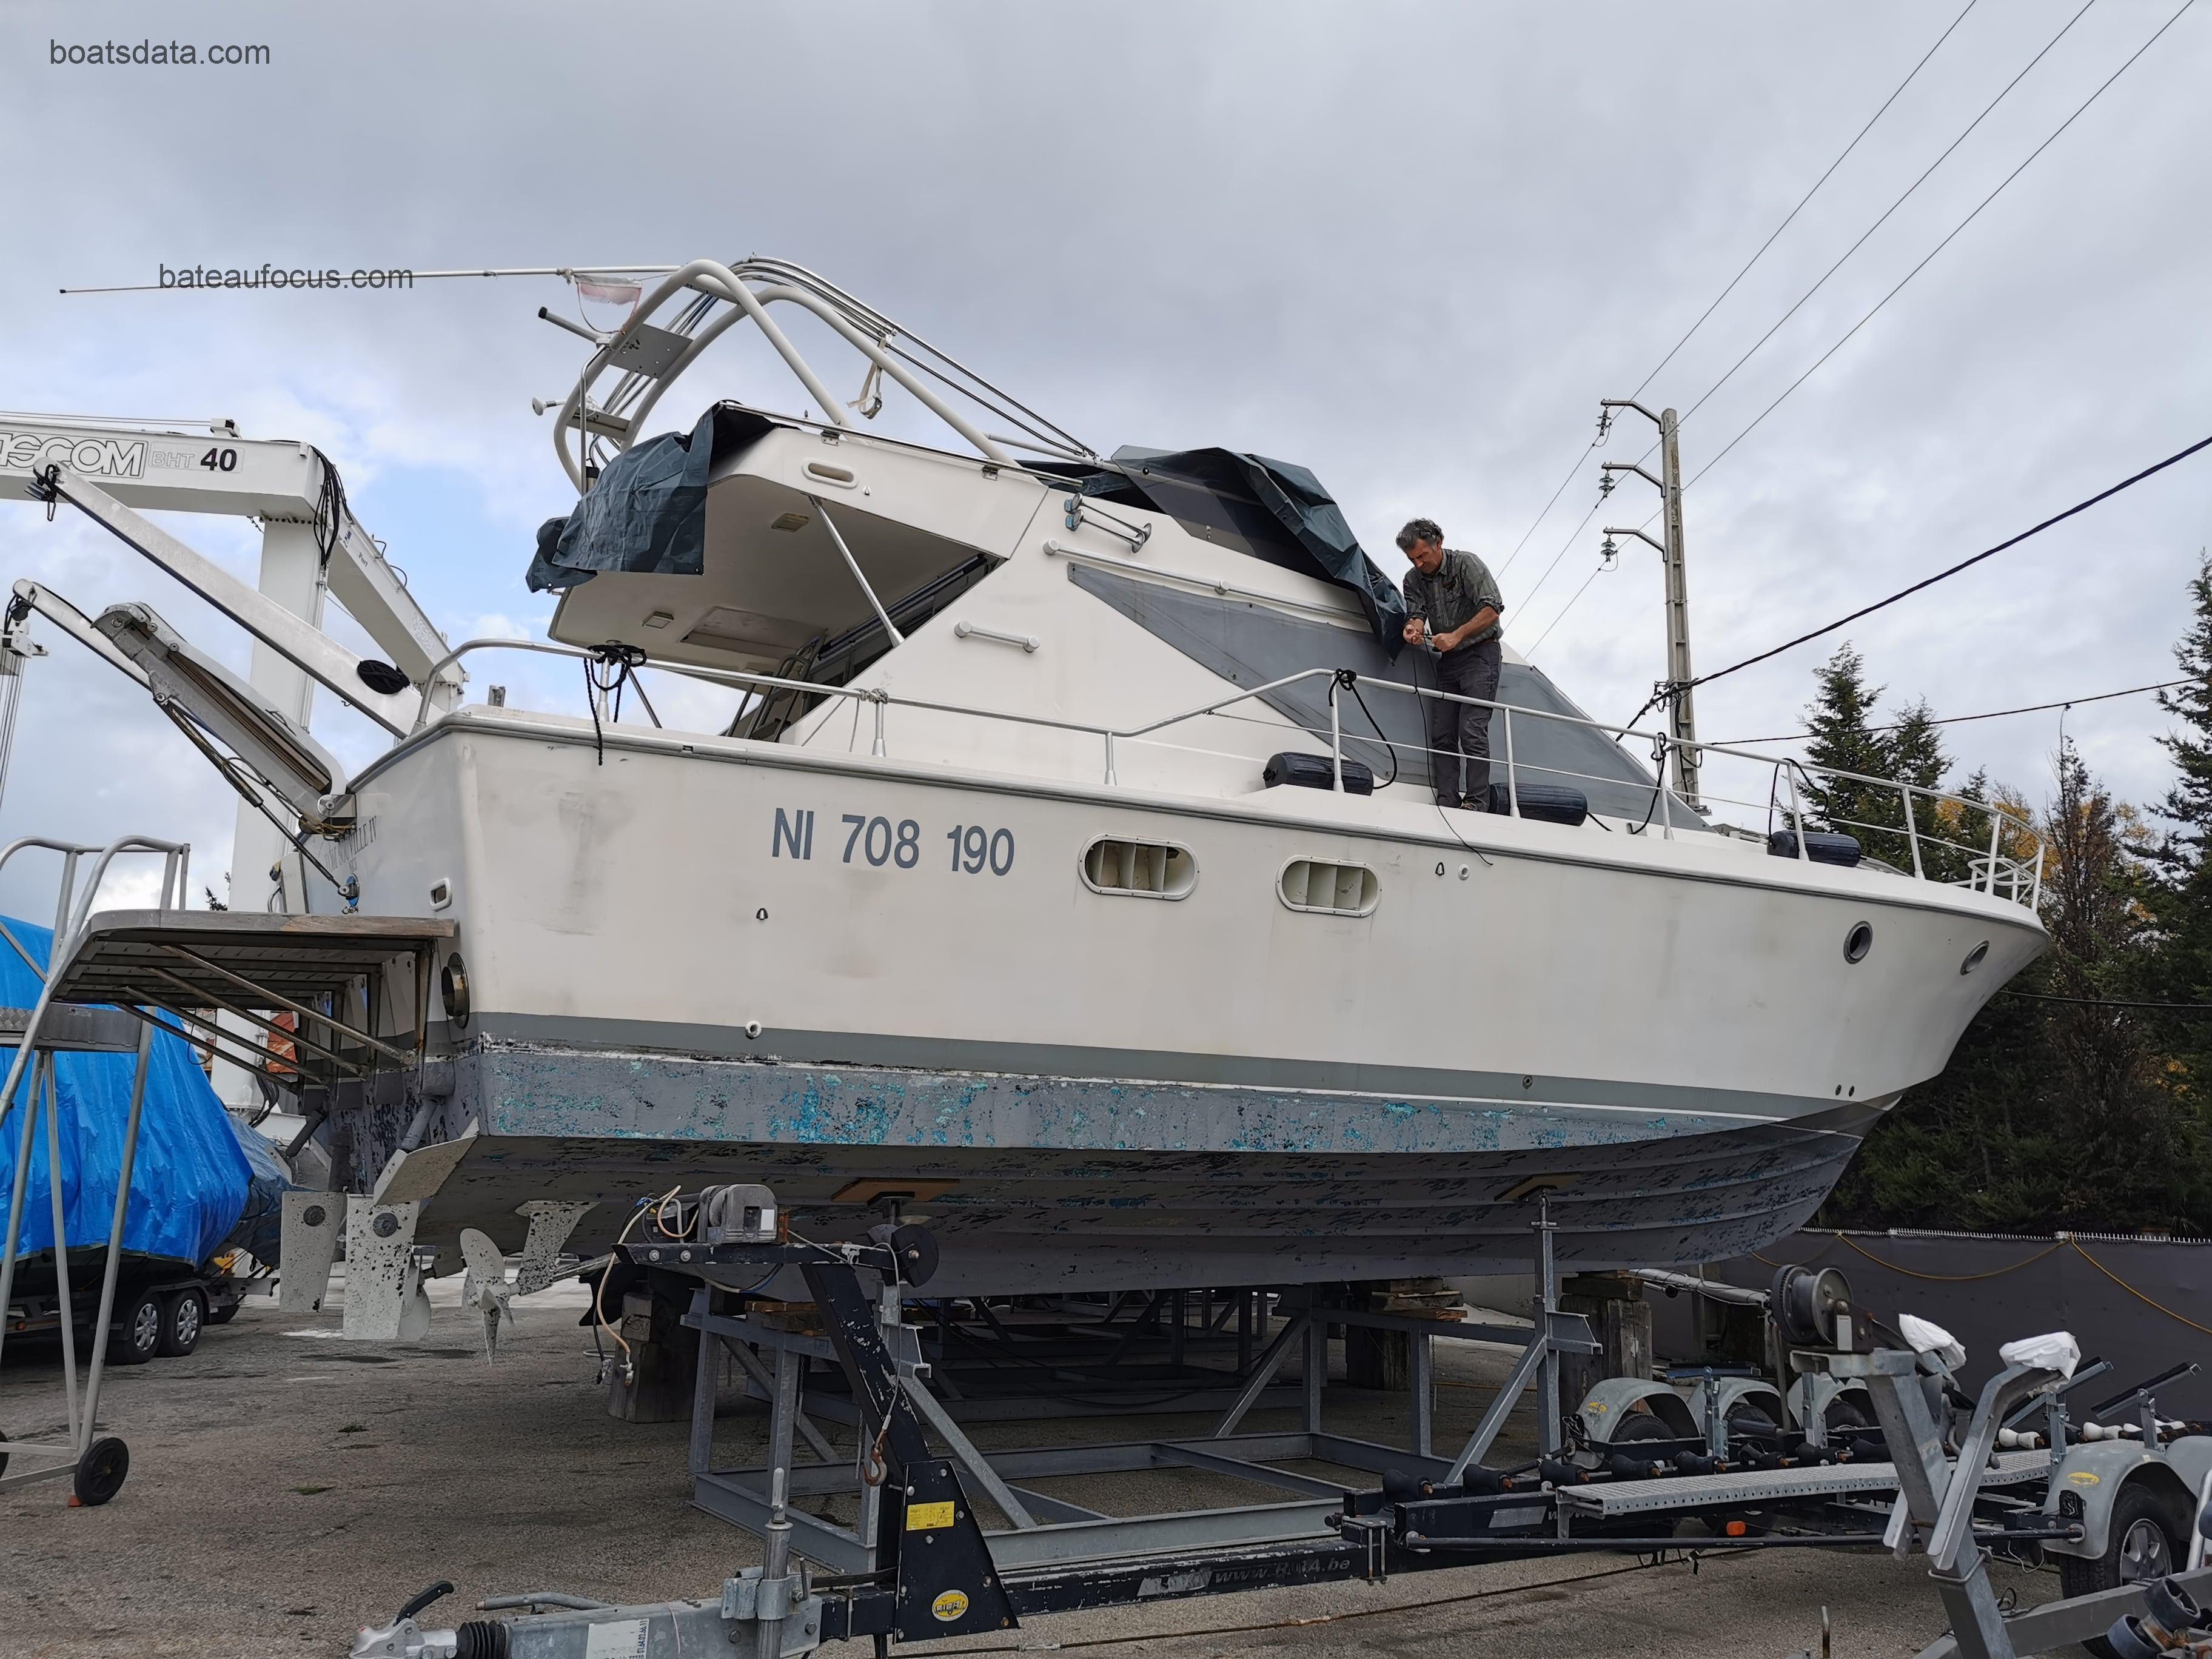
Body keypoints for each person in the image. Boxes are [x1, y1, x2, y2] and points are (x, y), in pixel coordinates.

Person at [1396, 518, 1504, 810]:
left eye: (1422, 556)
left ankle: (1477, 802)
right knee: (1443, 733)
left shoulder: (1466, 564)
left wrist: (1457, 636)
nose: (1418, 564)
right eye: (1412, 559)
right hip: (1448, 661)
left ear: (1438, 544)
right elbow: (1416, 611)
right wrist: (1413, 628)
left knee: (1472, 730)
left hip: (1481, 655)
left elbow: (1492, 608)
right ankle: (1447, 799)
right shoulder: (1412, 579)